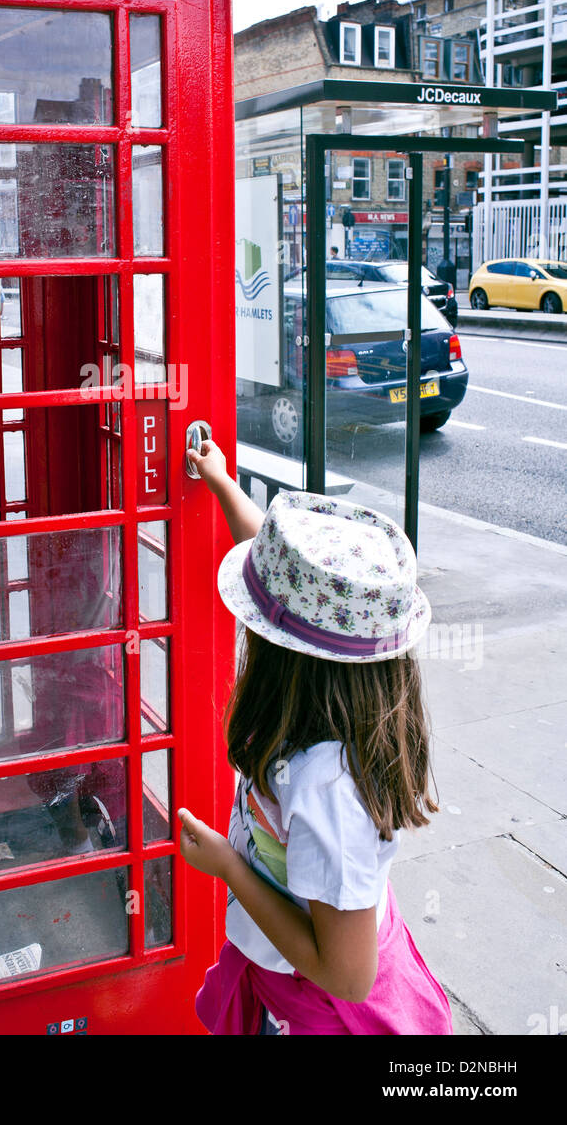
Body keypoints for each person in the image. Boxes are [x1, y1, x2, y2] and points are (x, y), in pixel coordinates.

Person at [178, 439, 453, 1036]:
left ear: (289, 657)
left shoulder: (327, 787)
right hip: (283, 975)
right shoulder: (327, 712)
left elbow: (349, 978)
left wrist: (227, 865)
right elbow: (279, 568)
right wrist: (224, 483)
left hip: (319, 1009)